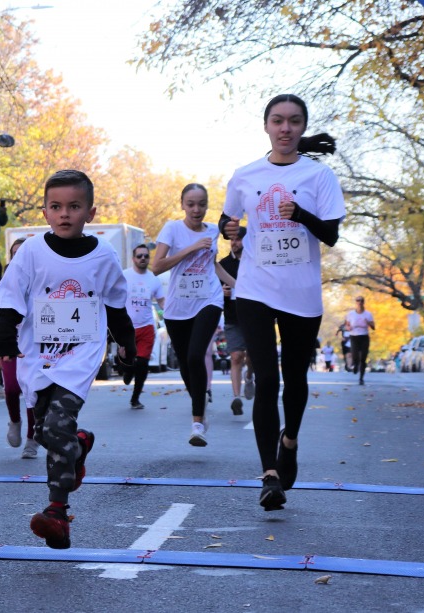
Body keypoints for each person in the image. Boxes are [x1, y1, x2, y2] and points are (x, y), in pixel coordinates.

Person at [0, 170, 136, 549]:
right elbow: (10, 294)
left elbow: (117, 304)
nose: (64, 214)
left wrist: (127, 346)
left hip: (80, 355)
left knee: (56, 426)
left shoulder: (104, 255)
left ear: (90, 211)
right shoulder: (31, 251)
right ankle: (81, 443)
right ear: (45, 210)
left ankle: (57, 513)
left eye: (74, 206)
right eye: (56, 207)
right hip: (38, 356)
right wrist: (4, 334)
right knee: (45, 432)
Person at [220, 93, 345, 511]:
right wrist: (229, 228)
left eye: (293, 121)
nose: (285, 128)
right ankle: (270, 474)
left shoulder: (319, 176)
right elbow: (227, 218)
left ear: (303, 127)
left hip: (301, 292)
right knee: (267, 381)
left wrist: (301, 216)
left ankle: (288, 440)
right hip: (255, 287)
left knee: (295, 378)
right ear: (267, 126)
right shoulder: (245, 174)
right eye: (278, 121)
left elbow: (330, 235)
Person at [152, 183, 236, 447]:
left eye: (201, 204)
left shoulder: (213, 230)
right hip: (178, 306)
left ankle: (197, 423)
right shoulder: (172, 228)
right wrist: (190, 248)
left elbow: (212, 266)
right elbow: (157, 267)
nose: (196, 209)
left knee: (195, 355)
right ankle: (200, 402)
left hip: (208, 300)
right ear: (182, 205)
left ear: (207, 205)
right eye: (191, 204)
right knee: (187, 367)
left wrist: (239, 285)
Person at [0, 237, 39, 458]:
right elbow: (1, 314)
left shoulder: (42, 276)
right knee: (11, 388)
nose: (18, 256)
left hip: (35, 344)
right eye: (14, 253)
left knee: (32, 392)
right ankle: (14, 421)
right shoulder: (8, 278)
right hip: (12, 342)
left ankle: (32, 440)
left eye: (22, 252)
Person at [122, 244, 165, 409]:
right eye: (139, 256)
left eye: (146, 256)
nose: (142, 259)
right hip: (127, 326)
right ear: (133, 258)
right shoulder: (124, 276)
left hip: (147, 326)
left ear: (149, 258)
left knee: (142, 363)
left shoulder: (154, 279)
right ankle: (127, 370)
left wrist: (168, 309)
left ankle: (135, 398)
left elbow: (161, 300)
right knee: (128, 361)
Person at [218, 226, 255, 416]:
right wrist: (221, 293)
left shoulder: (255, 262)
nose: (234, 242)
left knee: (252, 357)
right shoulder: (223, 264)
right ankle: (236, 397)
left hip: (253, 317)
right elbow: (213, 291)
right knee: (236, 356)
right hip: (232, 317)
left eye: (238, 239)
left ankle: (249, 377)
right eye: (232, 239)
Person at [345, 296, 375, 385]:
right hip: (354, 337)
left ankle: (361, 378)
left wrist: (368, 323)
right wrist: (348, 327)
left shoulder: (368, 314)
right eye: (358, 300)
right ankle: (355, 365)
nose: (360, 302)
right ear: (356, 302)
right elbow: (347, 325)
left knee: (363, 358)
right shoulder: (351, 314)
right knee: (355, 356)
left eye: (361, 301)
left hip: (364, 337)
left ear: (363, 302)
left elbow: (374, 327)